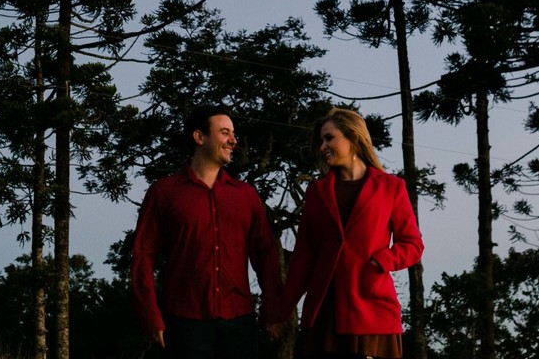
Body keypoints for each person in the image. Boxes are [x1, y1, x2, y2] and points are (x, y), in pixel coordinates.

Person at [270, 107, 424, 358]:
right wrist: (281, 312)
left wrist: (382, 260)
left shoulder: (391, 187)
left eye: (329, 138)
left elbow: (412, 245)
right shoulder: (316, 192)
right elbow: (303, 259)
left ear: (353, 138)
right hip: (323, 314)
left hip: (372, 312)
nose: (323, 146)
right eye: (321, 141)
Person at [131, 104, 281, 358]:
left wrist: (272, 309)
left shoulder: (246, 196)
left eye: (233, 133)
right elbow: (143, 256)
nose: (233, 140)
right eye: (224, 132)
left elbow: (265, 255)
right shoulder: (163, 193)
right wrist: (150, 314)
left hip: (240, 325)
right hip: (183, 324)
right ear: (199, 137)